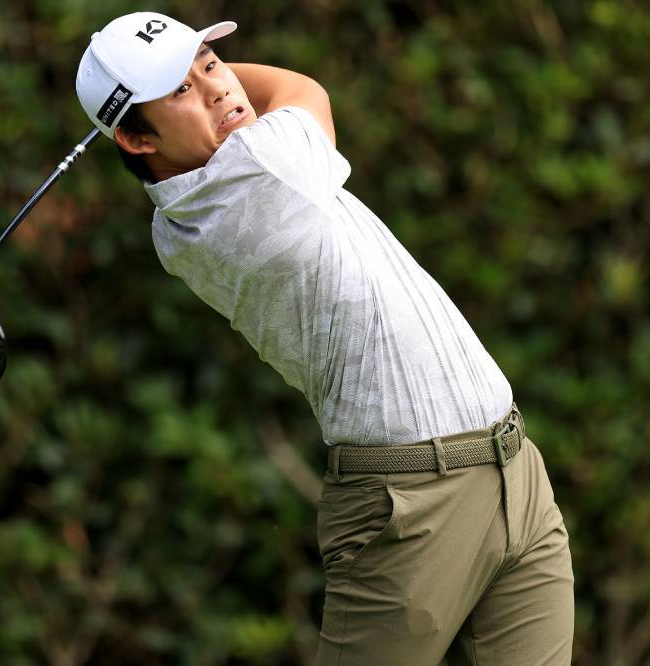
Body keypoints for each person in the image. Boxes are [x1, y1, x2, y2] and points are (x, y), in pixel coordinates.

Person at [75, 12, 574, 665]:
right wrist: (202, 73)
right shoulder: (254, 170)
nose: (220, 89)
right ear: (136, 139)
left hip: (515, 472)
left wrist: (180, 80)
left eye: (212, 65)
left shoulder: (180, 215)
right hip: (410, 507)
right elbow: (304, 88)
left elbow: (244, 101)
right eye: (182, 91)